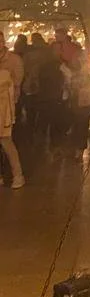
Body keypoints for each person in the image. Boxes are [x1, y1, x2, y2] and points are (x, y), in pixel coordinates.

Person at [0, 31, 25, 187]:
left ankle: (18, 175)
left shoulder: (14, 59)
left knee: (6, 141)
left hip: (5, 107)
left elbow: (16, 82)